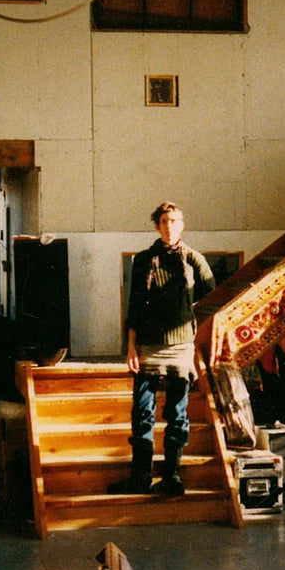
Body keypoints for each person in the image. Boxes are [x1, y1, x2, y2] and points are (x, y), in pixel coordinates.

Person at [109, 202, 215, 496]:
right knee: (142, 413)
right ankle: (140, 478)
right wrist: (131, 347)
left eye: (174, 221)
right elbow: (134, 305)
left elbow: (212, 300)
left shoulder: (194, 259)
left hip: (181, 349)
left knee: (177, 413)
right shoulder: (143, 260)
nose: (169, 226)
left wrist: (193, 330)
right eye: (164, 221)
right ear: (158, 225)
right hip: (147, 346)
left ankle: (172, 477)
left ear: (182, 224)